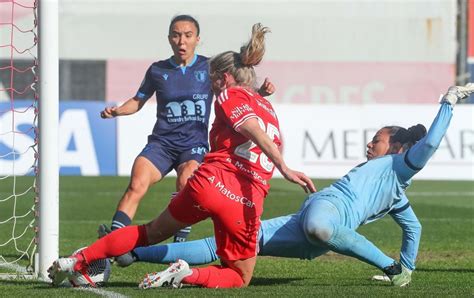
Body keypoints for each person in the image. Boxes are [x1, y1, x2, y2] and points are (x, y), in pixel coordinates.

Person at [115, 83, 474, 288]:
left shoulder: (398, 166)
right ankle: (133, 254)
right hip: (319, 214)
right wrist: (405, 266)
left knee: (314, 229)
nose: (369, 145)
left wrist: (448, 103)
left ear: (396, 147)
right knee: (226, 247)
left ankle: (391, 269)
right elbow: (414, 228)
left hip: (321, 225)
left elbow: (426, 153)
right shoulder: (393, 187)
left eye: (376, 140)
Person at [48, 23, 316, 289]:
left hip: (212, 184)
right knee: (239, 276)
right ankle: (185, 273)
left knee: (147, 233)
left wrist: (285, 167)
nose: (210, 84)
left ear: (224, 78)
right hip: (246, 199)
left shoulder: (228, 94)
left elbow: (251, 129)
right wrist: (281, 164)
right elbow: (254, 128)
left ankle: (79, 259)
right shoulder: (266, 105)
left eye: (213, 78)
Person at [99, 15, 275, 243]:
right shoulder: (157, 70)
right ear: (169, 39)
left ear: (197, 39)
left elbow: (236, 91)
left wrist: (260, 93)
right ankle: (113, 242)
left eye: (187, 35)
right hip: (161, 144)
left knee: (185, 183)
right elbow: (138, 100)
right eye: (176, 35)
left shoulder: (210, 67)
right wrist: (118, 111)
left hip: (194, 146)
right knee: (136, 184)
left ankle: (177, 248)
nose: (181, 41)